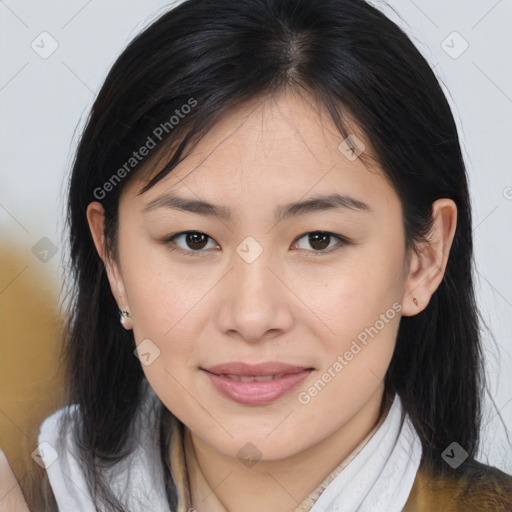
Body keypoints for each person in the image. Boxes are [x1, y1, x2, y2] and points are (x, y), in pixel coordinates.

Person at [2, 0, 512, 510]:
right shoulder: (29, 489)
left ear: (423, 258)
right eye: (194, 240)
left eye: (318, 239)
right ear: (111, 259)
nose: (251, 316)